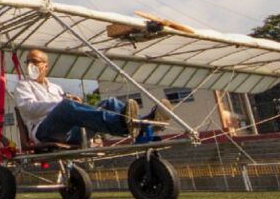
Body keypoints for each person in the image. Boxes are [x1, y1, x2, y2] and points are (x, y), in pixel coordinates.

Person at [14, 49, 166, 146]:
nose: (30, 65)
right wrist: (62, 103)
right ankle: (122, 123)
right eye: (28, 61)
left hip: (70, 132)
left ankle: (145, 122)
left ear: (45, 66)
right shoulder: (23, 86)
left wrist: (73, 102)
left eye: (35, 61)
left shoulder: (56, 88)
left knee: (110, 103)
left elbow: (68, 108)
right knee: (65, 106)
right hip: (43, 132)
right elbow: (29, 110)